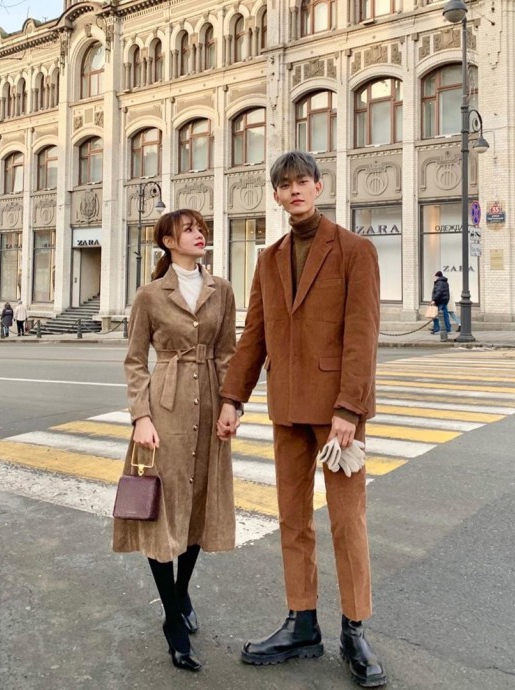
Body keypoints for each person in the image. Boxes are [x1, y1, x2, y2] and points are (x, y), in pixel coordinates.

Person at [217, 151, 386, 688]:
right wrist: (233, 398)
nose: (294, 190)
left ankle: (354, 629)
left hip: (337, 415)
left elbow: (362, 335)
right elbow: (255, 336)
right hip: (287, 409)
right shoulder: (269, 259)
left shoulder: (354, 250)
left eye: (302, 182)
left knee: (346, 521)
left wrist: (349, 409)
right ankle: (302, 622)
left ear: (318, 187)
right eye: (284, 184)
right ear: (276, 195)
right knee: (292, 520)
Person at [113, 209, 238, 673]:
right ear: (168, 241)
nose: (199, 233)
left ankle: (181, 594)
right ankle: (172, 618)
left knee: (197, 503)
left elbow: (228, 353)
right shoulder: (150, 295)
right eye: (188, 229)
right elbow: (134, 361)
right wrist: (141, 417)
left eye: (201, 228)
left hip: (209, 403)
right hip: (165, 408)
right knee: (164, 507)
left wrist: (232, 404)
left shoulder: (221, 289)